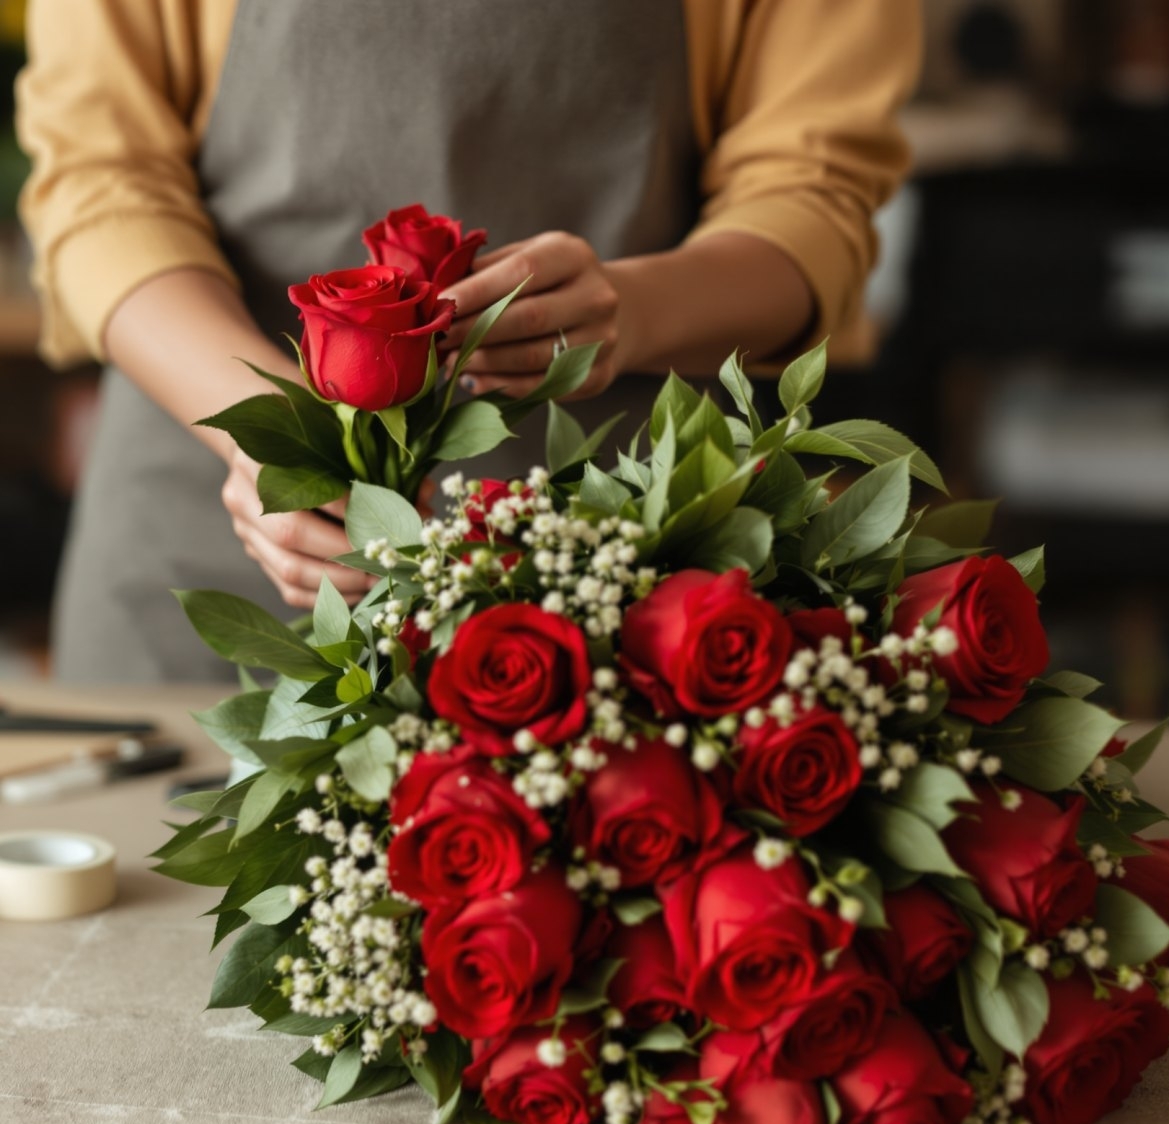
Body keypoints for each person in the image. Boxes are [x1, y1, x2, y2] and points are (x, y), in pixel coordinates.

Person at [16, 0, 921, 682]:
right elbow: (102, 179)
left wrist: (630, 308)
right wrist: (272, 436)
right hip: (210, 502)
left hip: (612, 529)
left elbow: (815, 196)